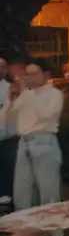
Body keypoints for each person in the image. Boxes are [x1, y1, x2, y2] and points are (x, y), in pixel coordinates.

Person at [0, 61, 64, 236]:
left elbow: (46, 115)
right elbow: (6, 118)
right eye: (27, 74)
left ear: (46, 75)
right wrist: (11, 99)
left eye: (34, 74)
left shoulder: (54, 94)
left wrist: (28, 95)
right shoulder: (24, 95)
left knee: (48, 197)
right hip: (24, 144)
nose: (29, 78)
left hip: (44, 143)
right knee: (22, 196)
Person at [0, 55, 17, 203]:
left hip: (8, 138)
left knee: (8, 170)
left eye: (1, 66)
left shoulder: (11, 89)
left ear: (5, 70)